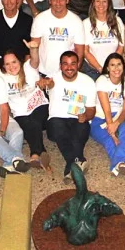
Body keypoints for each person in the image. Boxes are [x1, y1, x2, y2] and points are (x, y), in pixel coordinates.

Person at [41, 51, 97, 179]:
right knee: (59, 130)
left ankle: (71, 164)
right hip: (57, 120)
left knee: (79, 131)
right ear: (60, 66)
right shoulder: (53, 79)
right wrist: (43, 83)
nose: (69, 67)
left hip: (78, 118)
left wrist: (86, 116)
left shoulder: (88, 81)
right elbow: (48, 84)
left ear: (78, 65)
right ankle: (78, 160)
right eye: (65, 64)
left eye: (73, 64)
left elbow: (91, 110)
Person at [93, 54, 125, 177]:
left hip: (119, 115)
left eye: (119, 64)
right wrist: (112, 134)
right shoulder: (102, 80)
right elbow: (106, 110)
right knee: (109, 140)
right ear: (107, 68)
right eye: (112, 65)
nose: (116, 68)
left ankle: (119, 164)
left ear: (123, 66)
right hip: (100, 116)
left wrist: (117, 123)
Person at [81, 0, 123, 79]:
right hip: (92, 71)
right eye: (98, 1)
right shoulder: (86, 23)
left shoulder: (117, 21)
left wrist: (112, 67)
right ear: (93, 3)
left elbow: (121, 46)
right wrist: (100, 68)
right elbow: (85, 51)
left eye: (104, 1)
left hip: (114, 70)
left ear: (109, 3)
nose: (101, 4)